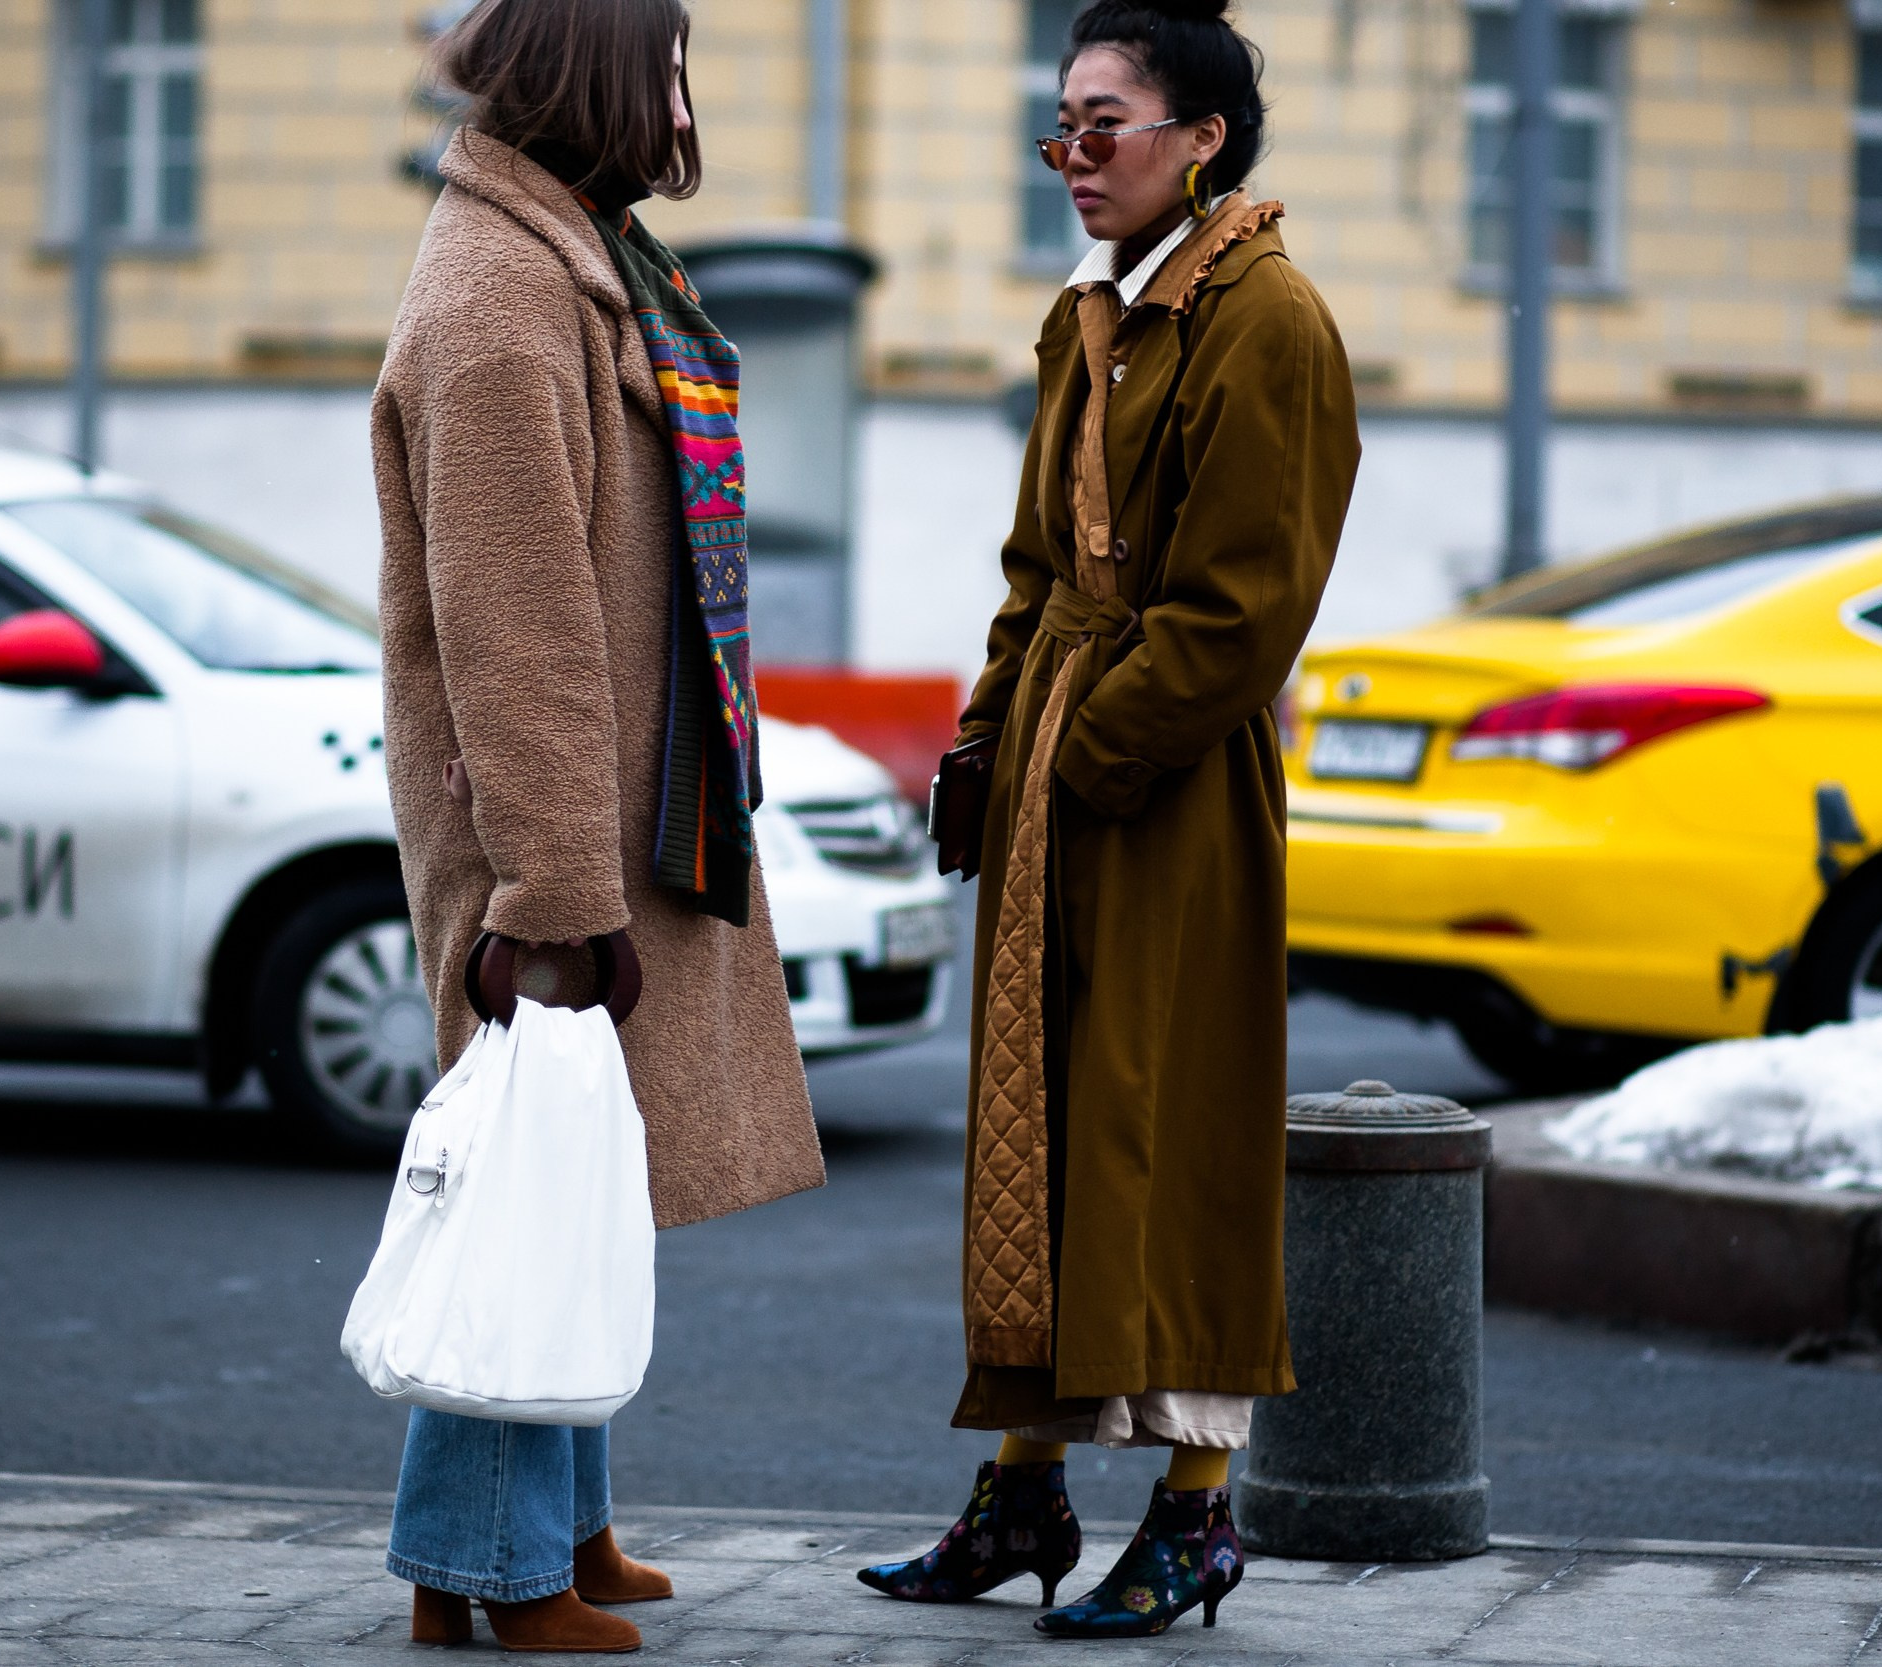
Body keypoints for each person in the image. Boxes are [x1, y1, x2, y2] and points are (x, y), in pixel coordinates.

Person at [858, 0, 1361, 1640]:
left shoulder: (1264, 321)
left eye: (1106, 123)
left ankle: (1202, 1513)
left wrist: (1084, 762)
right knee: (1045, 1132)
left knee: (1172, 1134)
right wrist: (986, 746)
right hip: (1067, 775)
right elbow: (1035, 579)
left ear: (1204, 138)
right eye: (1058, 124)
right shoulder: (1097, 312)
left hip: (1173, 789)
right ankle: (1021, 1494)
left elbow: (1238, 616)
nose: (1073, 155)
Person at [370, 0, 825, 1650]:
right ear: (608, 78)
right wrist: (555, 890)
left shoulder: (579, 263)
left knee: (570, 1184)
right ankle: (492, 1573)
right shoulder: (504, 303)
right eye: (677, 65)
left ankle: (549, 1527)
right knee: (529, 1194)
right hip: (544, 855)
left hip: (601, 823)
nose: (690, 101)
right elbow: (518, 629)